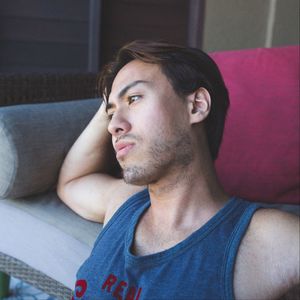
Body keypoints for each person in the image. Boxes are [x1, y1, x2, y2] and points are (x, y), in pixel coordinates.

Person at [57, 40, 299, 300]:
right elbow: (71, 181)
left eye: (134, 98)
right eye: (111, 113)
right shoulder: (124, 203)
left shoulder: (269, 241)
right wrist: (110, 102)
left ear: (196, 106)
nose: (113, 126)